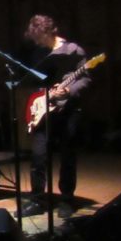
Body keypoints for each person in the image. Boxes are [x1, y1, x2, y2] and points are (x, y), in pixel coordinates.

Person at [21, 14, 90, 219]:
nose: (38, 41)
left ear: (50, 31)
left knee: (68, 156)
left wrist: (68, 91)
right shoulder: (39, 54)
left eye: (40, 36)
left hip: (68, 111)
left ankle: (67, 199)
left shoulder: (74, 50)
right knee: (38, 155)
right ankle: (37, 199)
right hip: (45, 111)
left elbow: (85, 79)